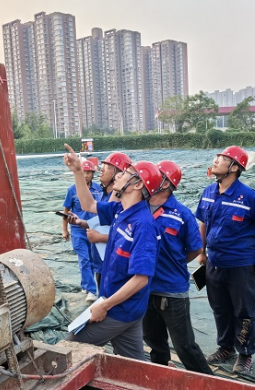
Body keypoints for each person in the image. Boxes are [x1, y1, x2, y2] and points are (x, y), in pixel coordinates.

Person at [63, 144, 162, 361]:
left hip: (119, 309)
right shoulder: (120, 210)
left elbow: (141, 279)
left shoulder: (143, 225)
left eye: (125, 173)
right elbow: (88, 204)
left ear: (137, 185)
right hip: (125, 306)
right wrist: (78, 172)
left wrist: (105, 306)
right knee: (134, 365)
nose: (118, 175)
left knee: (69, 348)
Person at [196, 146, 255, 374]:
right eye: (218, 157)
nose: (216, 160)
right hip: (214, 263)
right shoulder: (208, 192)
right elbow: (203, 223)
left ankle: (245, 353)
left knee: (244, 311)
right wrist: (201, 252)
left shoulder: (249, 196)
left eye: (222, 158)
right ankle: (225, 347)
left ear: (234, 167)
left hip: (241, 265)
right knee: (220, 308)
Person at [143, 160, 213, 375]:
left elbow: (195, 247)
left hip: (171, 290)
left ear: (166, 183)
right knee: (154, 341)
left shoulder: (181, 213)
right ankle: (161, 376)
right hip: (144, 287)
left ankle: (208, 382)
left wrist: (175, 261)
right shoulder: (139, 207)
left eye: (156, 175)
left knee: (184, 346)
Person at [68, 152, 133, 289]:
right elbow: (102, 222)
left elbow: (126, 237)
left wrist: (100, 238)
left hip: (113, 264)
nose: (101, 170)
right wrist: (82, 223)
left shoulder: (123, 202)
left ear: (119, 174)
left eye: (107, 167)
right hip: (101, 262)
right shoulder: (103, 195)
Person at [62, 159, 102, 303]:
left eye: (89, 172)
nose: (86, 175)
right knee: (84, 260)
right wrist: (64, 230)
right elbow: (66, 211)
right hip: (78, 231)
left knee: (93, 259)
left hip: (94, 229)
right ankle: (91, 290)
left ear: (93, 174)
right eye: (84, 172)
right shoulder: (72, 190)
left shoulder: (98, 189)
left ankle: (86, 284)